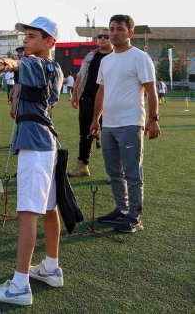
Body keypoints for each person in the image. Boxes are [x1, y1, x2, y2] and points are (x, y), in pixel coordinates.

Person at [0, 17, 64, 307]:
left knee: (29, 212)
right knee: (47, 207)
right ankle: (50, 267)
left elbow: (11, 63)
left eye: (32, 37)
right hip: (45, 142)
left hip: (35, 144)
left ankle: (20, 285)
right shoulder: (53, 68)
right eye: (26, 36)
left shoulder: (35, 64)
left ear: (49, 42)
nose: (26, 41)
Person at [91, 14, 160, 234]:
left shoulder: (139, 58)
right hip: (108, 125)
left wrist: (153, 119)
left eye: (119, 29)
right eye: (111, 29)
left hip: (131, 123)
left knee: (132, 172)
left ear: (130, 33)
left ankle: (134, 217)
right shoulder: (106, 60)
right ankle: (122, 210)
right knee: (114, 172)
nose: (114, 33)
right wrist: (95, 119)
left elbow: (151, 90)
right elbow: (101, 91)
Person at [68, 28, 112, 177]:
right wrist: (74, 95)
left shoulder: (116, 57)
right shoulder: (90, 56)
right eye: (100, 36)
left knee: (109, 136)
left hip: (108, 103)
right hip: (86, 100)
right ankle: (82, 166)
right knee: (85, 135)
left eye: (107, 36)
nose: (103, 39)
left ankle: (113, 172)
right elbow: (80, 76)